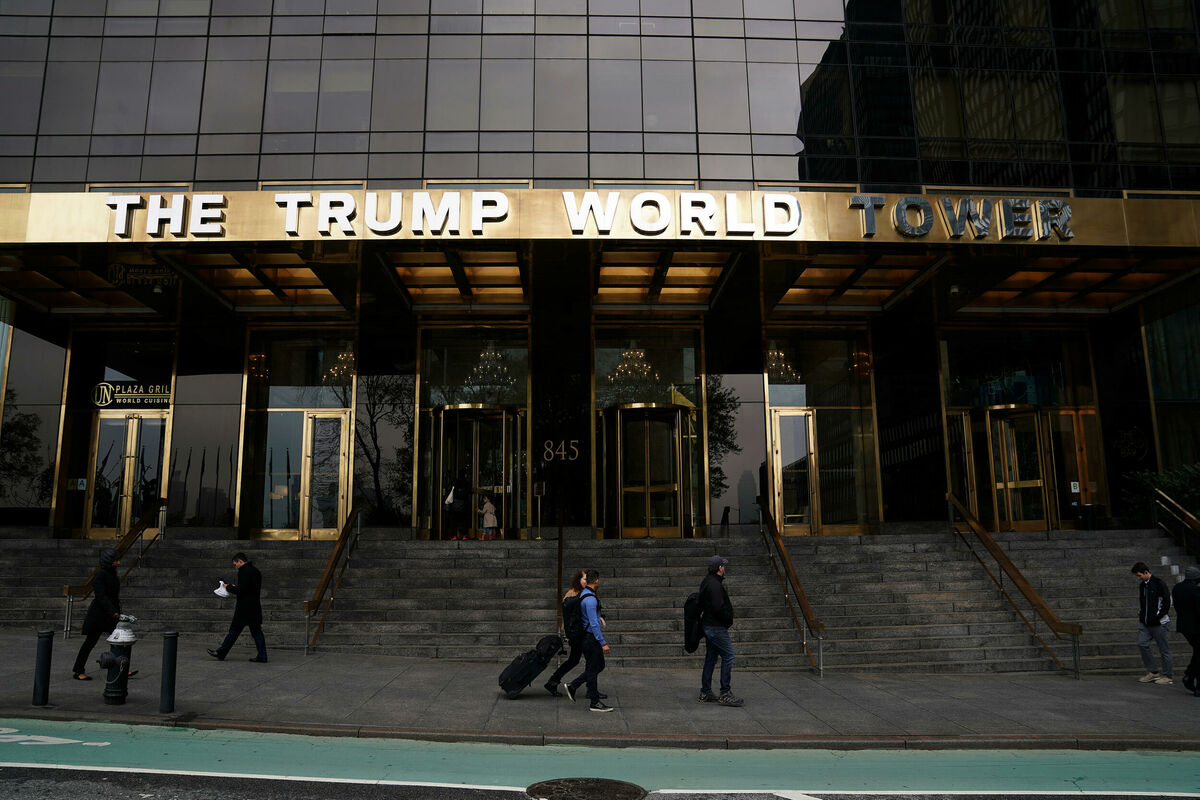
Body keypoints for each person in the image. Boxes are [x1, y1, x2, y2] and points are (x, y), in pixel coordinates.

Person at [561, 568, 613, 712]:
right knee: (592, 668)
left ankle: (574, 686)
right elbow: (593, 624)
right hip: (590, 638)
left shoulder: (585, 594)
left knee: (599, 665)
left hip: (587, 637)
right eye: (599, 579)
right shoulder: (590, 599)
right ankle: (594, 702)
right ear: (596, 580)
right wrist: (603, 642)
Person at [71, 547, 122, 680]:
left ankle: (121, 668)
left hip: (110, 613)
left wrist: (116, 611)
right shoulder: (100, 575)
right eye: (116, 560)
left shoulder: (113, 574)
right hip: (99, 615)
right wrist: (113, 611)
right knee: (90, 642)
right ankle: (78, 670)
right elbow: (101, 596)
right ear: (109, 561)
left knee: (119, 641)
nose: (118, 562)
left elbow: (113, 596)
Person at [698, 555, 743, 706]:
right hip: (716, 627)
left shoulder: (707, 581)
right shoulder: (715, 585)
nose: (724, 567)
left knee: (711, 657)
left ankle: (705, 692)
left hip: (709, 625)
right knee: (728, 655)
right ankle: (725, 693)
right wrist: (728, 619)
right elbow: (718, 608)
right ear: (719, 568)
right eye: (723, 565)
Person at [208, 552, 268, 663]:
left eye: (235, 564)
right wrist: (236, 586)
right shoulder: (255, 571)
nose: (235, 566)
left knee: (234, 631)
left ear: (240, 561)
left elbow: (242, 590)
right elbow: (249, 588)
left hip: (244, 608)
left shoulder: (244, 571)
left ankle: (221, 652)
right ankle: (262, 655)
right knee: (256, 632)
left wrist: (228, 587)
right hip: (254, 606)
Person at [1132, 561, 1173, 685]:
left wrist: (1158, 616)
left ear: (1146, 572)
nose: (1138, 578)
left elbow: (1166, 602)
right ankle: (1153, 672)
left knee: (1164, 649)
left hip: (1159, 623)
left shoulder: (1159, 583)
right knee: (1142, 644)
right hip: (1145, 622)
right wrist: (1141, 615)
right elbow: (1143, 602)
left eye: (1139, 575)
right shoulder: (1142, 586)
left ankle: (1168, 676)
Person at [1172, 565, 1200, 696]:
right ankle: (1192, 679)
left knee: (1198, 652)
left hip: (1183, 626)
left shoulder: (1177, 588)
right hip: (1196, 627)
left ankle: (1189, 675)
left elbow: (1177, 607)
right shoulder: (1195, 590)